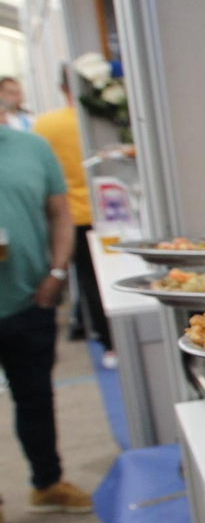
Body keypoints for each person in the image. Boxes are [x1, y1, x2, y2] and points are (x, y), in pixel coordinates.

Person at [0, 119, 93, 523]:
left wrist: (57, 271)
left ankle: (48, 483)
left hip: (30, 299)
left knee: (35, 396)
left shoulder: (31, 148)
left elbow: (60, 212)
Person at [33, 65, 114, 366]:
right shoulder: (101, 120)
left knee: (90, 279)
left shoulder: (44, 126)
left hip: (72, 214)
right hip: (110, 210)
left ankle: (109, 343)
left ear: (61, 87)